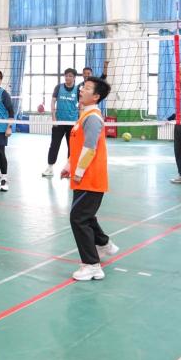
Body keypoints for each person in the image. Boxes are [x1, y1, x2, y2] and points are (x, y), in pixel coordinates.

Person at [68, 77, 120, 281]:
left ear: (96, 96)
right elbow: (79, 145)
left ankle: (91, 266)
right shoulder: (85, 114)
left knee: (78, 218)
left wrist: (79, 172)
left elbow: (90, 148)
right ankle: (104, 244)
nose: (81, 90)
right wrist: (68, 166)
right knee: (86, 215)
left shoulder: (92, 118)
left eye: (87, 88)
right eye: (83, 87)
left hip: (90, 178)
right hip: (85, 177)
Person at [44, 68, 80, 178]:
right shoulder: (58, 87)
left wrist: (79, 121)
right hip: (59, 122)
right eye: (66, 75)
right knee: (54, 145)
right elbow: (53, 102)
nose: (67, 77)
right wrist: (54, 119)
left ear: (74, 77)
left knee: (72, 147)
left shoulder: (78, 89)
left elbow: (81, 105)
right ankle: (50, 168)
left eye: (70, 76)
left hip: (72, 123)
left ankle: (69, 169)